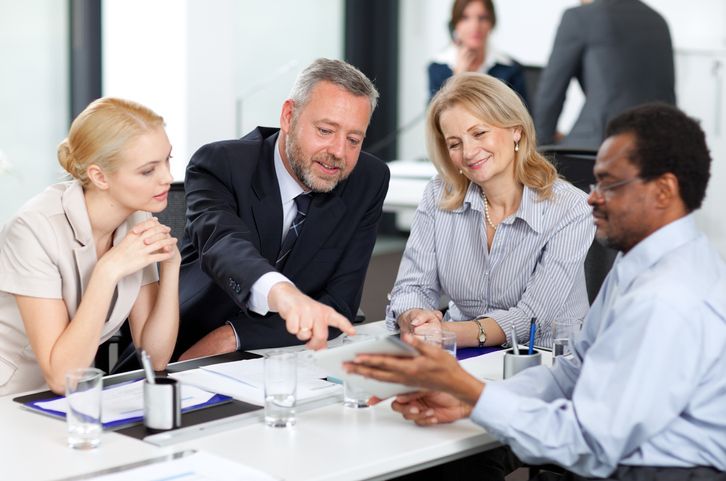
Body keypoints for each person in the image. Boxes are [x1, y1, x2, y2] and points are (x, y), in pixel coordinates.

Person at [347, 103, 726, 480]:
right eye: (595, 183)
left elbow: (588, 444)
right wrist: (470, 399)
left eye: (609, 185)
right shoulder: (639, 264)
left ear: (664, 191)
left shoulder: (666, 298)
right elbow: (570, 374)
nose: (592, 197)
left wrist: (470, 393)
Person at [176, 58, 389, 359]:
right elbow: (224, 245)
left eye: (354, 139)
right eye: (326, 131)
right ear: (289, 116)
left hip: (280, 353)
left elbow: (338, 307)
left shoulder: (368, 180)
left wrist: (233, 336)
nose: (339, 152)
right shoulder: (221, 164)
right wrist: (281, 293)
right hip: (184, 349)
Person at [388, 72, 593, 350]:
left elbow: (531, 319)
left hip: (543, 362)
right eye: (455, 143)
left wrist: (446, 332)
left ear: (516, 130)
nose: (469, 152)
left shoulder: (571, 208)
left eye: (479, 133)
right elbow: (411, 288)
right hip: (458, 355)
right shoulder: (439, 194)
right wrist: (414, 317)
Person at [0, 98, 180, 396]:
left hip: (69, 395)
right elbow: (61, 378)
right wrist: (107, 271)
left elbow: (155, 356)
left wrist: (171, 267)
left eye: (167, 160)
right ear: (99, 176)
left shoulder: (137, 216)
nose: (167, 178)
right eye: (148, 171)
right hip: (11, 394)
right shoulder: (33, 228)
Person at [534, 0, 675, 149]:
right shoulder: (657, 20)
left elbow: (550, 94)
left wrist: (540, 148)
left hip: (602, 147)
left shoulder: (580, 17)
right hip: (658, 145)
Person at [428, 0, 528, 104]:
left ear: (492, 23)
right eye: (465, 18)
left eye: (482, 18)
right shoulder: (438, 67)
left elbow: (523, 117)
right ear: (455, 25)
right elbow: (437, 117)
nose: (475, 26)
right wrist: (458, 78)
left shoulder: (510, 68)